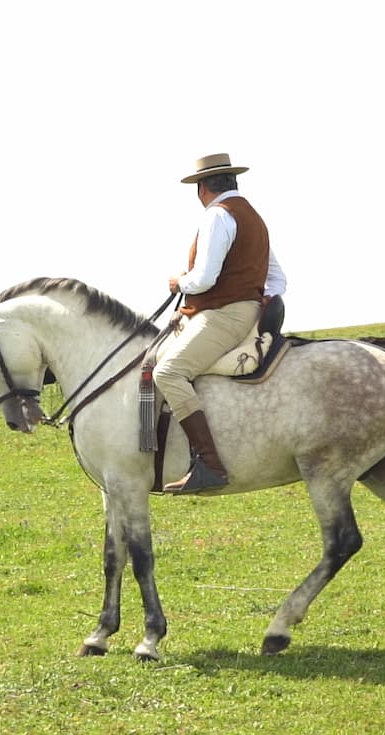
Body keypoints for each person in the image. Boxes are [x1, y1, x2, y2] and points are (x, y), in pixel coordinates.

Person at [155, 153, 279, 494]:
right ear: (232, 182)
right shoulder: (253, 218)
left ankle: (209, 464)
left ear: (202, 188)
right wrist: (258, 299)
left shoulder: (217, 216)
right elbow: (277, 278)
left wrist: (180, 282)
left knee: (168, 372)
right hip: (242, 311)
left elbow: (205, 278)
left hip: (223, 315)